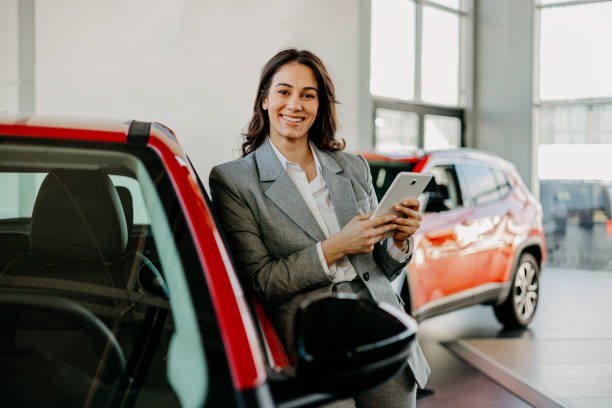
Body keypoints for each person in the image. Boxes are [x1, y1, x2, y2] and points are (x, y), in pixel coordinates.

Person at [209, 48, 430, 407]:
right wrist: (335, 247)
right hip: (311, 343)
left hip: (381, 332)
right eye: (284, 92)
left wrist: (399, 241)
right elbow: (262, 281)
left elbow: (381, 269)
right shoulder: (234, 181)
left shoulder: (353, 167)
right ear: (264, 100)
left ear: (319, 105)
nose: (294, 105)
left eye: (307, 95)